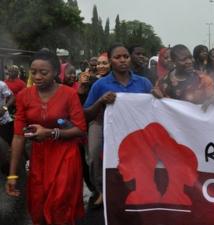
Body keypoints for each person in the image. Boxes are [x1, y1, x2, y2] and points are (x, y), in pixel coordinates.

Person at [6, 50, 86, 225]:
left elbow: (80, 128)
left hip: (65, 155)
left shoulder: (69, 94)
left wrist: (50, 133)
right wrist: (12, 175)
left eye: (44, 72)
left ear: (56, 72)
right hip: (39, 158)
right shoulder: (23, 96)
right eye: (33, 72)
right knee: (38, 204)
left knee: (60, 204)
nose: (37, 77)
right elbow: (18, 137)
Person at [84, 43, 152, 208]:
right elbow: (86, 113)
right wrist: (101, 101)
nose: (122, 60)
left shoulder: (143, 83)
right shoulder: (100, 85)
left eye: (126, 57)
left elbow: (154, 107)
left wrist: (155, 96)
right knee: (93, 155)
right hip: (102, 124)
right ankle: (101, 190)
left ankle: (136, 187)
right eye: (117, 57)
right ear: (110, 61)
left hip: (133, 126)